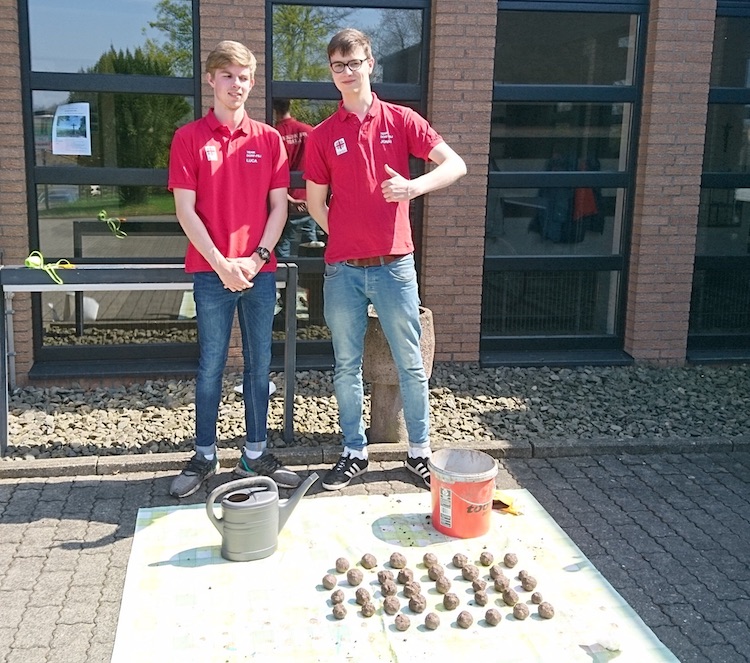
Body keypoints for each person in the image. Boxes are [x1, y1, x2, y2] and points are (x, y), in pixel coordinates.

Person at [304, 28, 467, 491]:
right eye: (339, 66)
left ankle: (419, 452)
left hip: (395, 266)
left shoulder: (402, 120)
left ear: (370, 63)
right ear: (332, 73)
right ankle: (354, 452)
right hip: (343, 272)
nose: (347, 72)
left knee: (410, 362)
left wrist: (414, 187)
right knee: (345, 365)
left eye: (354, 62)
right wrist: (347, 234)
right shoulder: (322, 136)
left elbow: (456, 165)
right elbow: (317, 204)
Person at [167, 40, 302, 498]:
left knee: (259, 366)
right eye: (228, 76)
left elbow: (279, 208)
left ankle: (255, 454)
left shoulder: (269, 139)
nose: (237, 85)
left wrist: (257, 257)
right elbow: (186, 211)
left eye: (244, 78)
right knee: (210, 367)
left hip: (259, 273)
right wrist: (222, 264)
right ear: (211, 79)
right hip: (210, 273)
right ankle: (205, 456)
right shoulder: (188, 138)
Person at [272, 98, 324, 257]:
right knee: (311, 243)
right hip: (310, 200)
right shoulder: (310, 131)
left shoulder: (275, 134)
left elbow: (272, 172)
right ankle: (310, 280)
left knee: (284, 244)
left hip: (286, 202)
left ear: (274, 111)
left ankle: (288, 281)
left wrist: (290, 199)